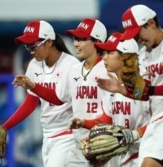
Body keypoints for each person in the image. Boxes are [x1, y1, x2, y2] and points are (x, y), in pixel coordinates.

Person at [96, 4, 163, 167]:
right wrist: (120, 89)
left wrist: (150, 90)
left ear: (151, 23)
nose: (138, 39)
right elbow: (142, 93)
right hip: (155, 121)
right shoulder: (142, 55)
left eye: (138, 33)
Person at [14, 18, 113, 167]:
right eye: (75, 38)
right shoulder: (75, 70)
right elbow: (57, 98)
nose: (76, 43)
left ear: (97, 41)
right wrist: (33, 86)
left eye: (81, 39)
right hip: (79, 142)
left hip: (102, 141)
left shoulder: (107, 70)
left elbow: (117, 109)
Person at [69, 32, 151, 167]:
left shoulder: (146, 83)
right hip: (126, 157)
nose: (104, 57)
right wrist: (84, 123)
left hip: (148, 155)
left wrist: (134, 134)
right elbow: (107, 120)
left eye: (110, 53)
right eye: (104, 52)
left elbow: (162, 121)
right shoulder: (111, 86)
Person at [9, 20, 80, 167]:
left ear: (48, 41)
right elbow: (30, 102)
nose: (31, 51)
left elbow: (58, 99)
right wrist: (5, 127)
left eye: (33, 45)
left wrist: (34, 86)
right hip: (48, 135)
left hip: (68, 134)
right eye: (27, 46)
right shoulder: (34, 65)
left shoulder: (71, 65)